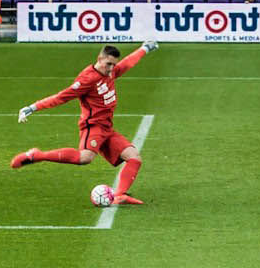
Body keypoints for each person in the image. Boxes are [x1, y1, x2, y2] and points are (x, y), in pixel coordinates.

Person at [10, 41, 158, 206]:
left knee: (134, 158)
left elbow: (127, 63)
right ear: (99, 59)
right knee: (85, 158)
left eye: (113, 65)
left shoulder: (110, 72)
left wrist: (144, 48)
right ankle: (37, 155)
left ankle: (120, 195)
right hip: (93, 126)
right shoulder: (87, 79)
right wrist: (32, 107)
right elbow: (62, 97)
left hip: (107, 128)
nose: (111, 68)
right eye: (108, 64)